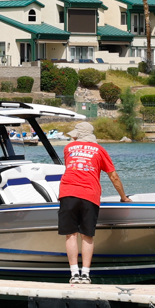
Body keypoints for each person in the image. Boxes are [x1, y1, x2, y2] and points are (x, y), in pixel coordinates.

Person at [57, 121, 131, 284]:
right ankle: (86, 274)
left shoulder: (68, 148)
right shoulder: (100, 150)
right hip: (89, 194)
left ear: (79, 135)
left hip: (68, 193)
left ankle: (74, 273)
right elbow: (114, 176)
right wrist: (124, 197)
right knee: (87, 235)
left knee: (71, 234)